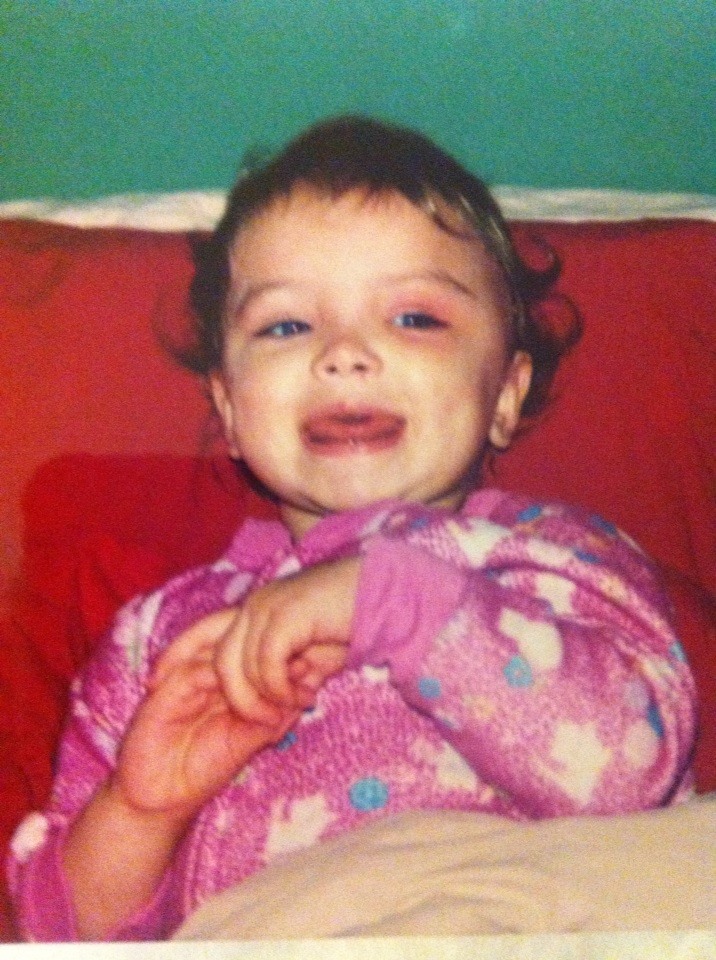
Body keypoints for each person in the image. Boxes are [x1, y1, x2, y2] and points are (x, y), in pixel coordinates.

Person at [7, 116, 696, 942]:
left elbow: (630, 779)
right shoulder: (166, 640)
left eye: (415, 319)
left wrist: (392, 601)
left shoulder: (556, 556)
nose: (344, 354)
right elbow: (56, 937)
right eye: (286, 326)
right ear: (229, 408)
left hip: (539, 912)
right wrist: (143, 807)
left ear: (505, 394)